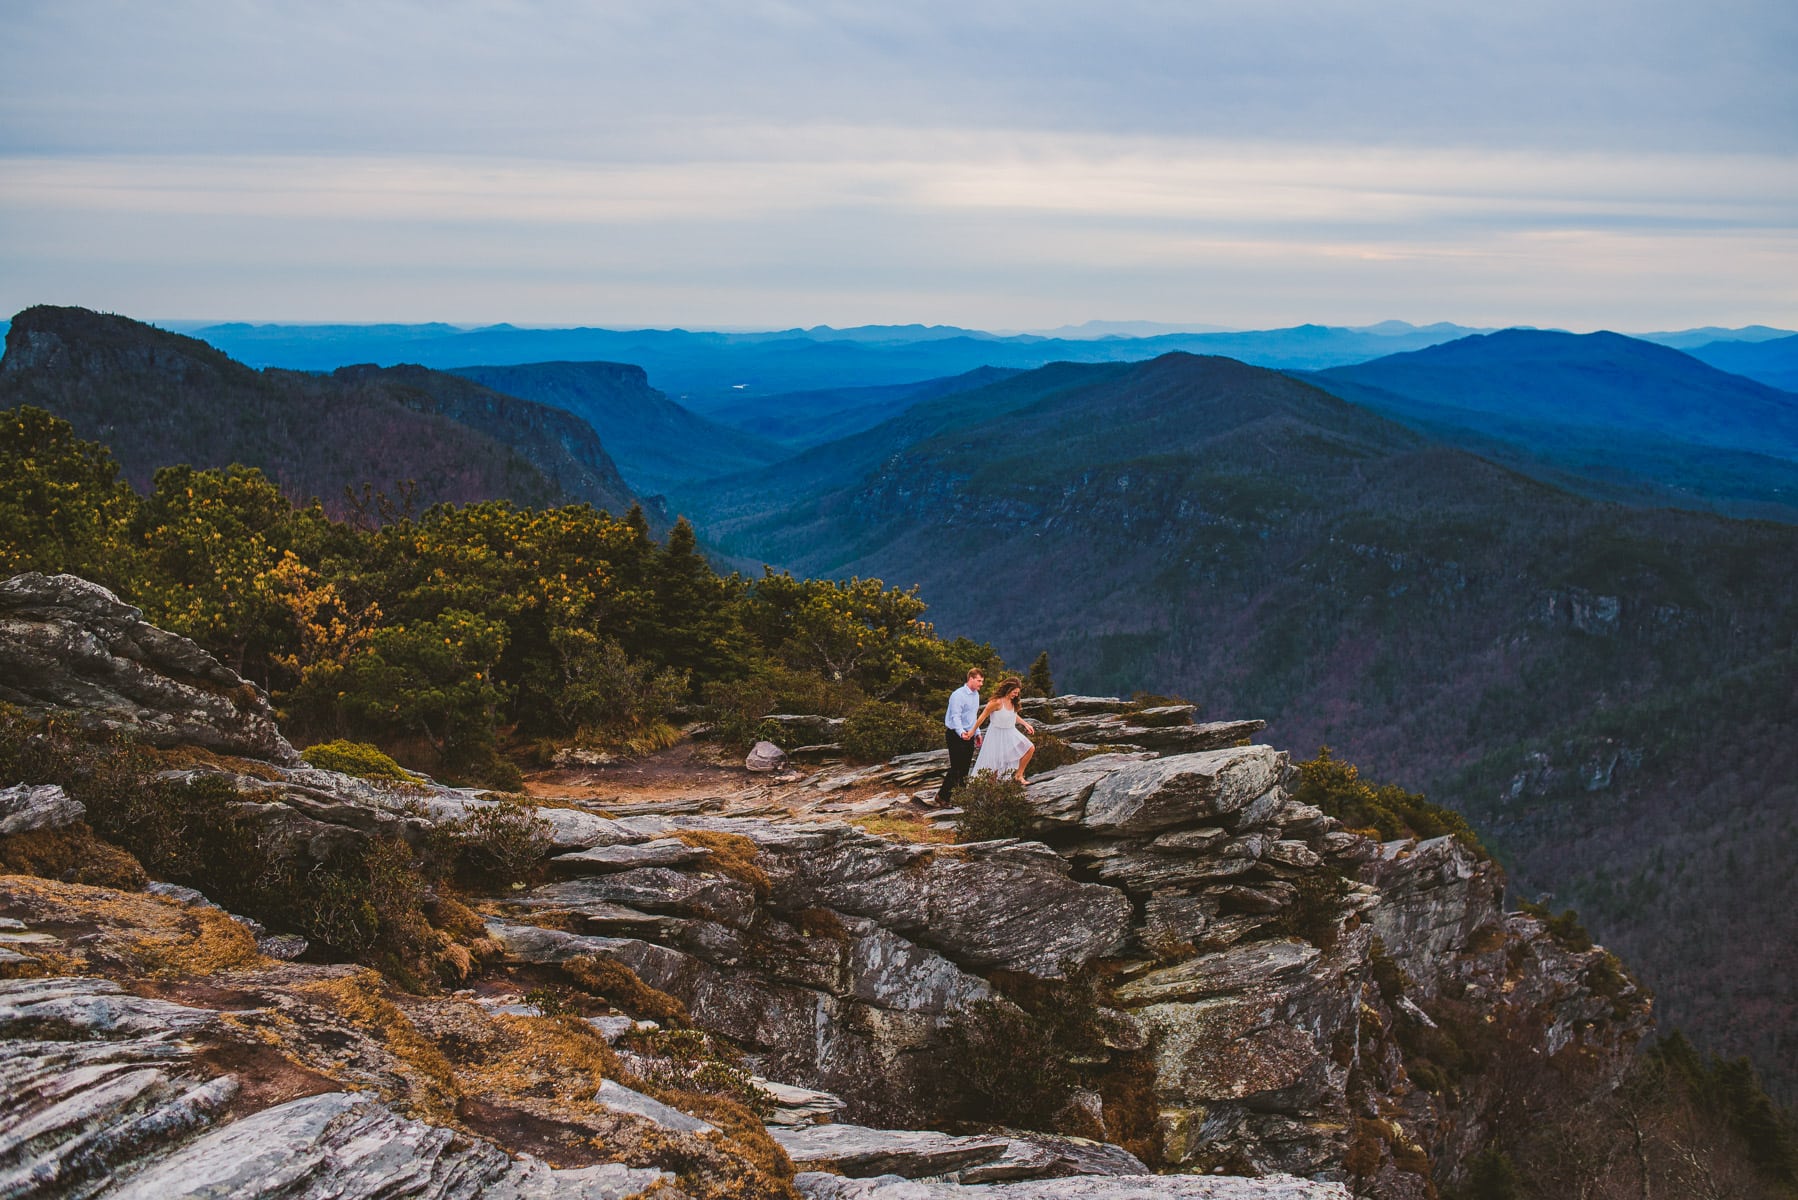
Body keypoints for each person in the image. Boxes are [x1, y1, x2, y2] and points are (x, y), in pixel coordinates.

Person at [970, 677, 1036, 783]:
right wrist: (972, 731)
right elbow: (983, 716)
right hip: (996, 734)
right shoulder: (996, 702)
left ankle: (1019, 775)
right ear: (1008, 689)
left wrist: (1026, 724)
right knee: (995, 765)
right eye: (1014, 692)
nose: (1016, 695)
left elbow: (1013, 715)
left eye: (1017, 693)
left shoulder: (1012, 702)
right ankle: (992, 789)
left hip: (1011, 732)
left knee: (1030, 748)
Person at [934, 667, 984, 806]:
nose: (981, 684)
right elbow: (955, 717)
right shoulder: (958, 695)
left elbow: (973, 716)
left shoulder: (976, 695)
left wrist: (977, 732)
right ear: (971, 679)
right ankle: (942, 796)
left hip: (970, 734)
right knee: (956, 767)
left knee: (965, 768)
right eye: (979, 681)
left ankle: (961, 797)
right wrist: (961, 732)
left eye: (982, 681)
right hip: (955, 734)